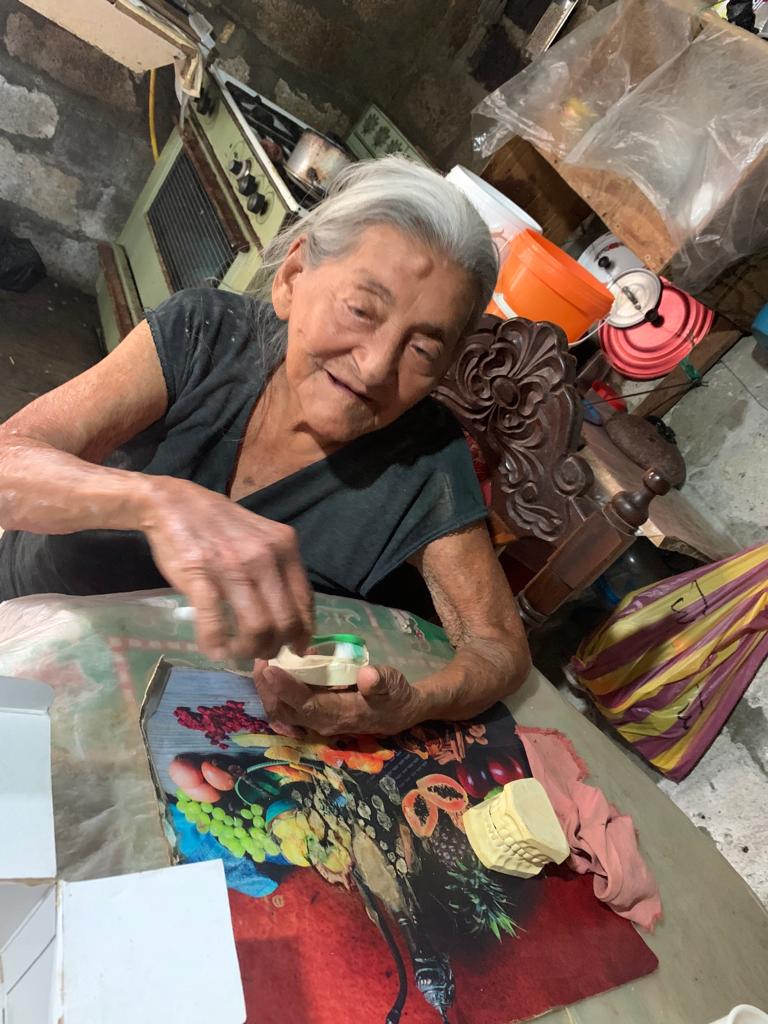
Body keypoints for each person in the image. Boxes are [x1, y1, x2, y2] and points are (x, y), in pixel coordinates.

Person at [0, 157, 530, 735]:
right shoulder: (204, 335)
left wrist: (415, 703)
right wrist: (155, 502)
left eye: (423, 350)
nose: (377, 366)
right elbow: (11, 458)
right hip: (27, 637)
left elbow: (499, 647)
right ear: (293, 277)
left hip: (180, 722)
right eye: (361, 310)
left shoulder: (423, 456)